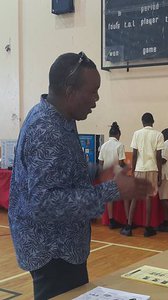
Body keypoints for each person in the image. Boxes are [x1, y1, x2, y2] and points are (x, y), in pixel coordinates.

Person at [8, 52, 152, 300]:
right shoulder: (46, 129)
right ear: (69, 91)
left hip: (63, 245)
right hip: (52, 251)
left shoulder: (61, 118)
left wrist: (98, 171)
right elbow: (44, 204)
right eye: (93, 91)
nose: (96, 99)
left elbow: (61, 171)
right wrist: (113, 190)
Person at [121, 112, 164, 237]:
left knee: (135, 197)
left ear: (142, 122)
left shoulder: (137, 134)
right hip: (152, 168)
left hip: (139, 168)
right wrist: (159, 174)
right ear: (153, 121)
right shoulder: (158, 135)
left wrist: (133, 170)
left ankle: (128, 227)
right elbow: (159, 156)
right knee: (149, 197)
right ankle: (147, 228)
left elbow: (134, 154)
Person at [98, 121, 126, 229]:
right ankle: (126, 220)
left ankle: (111, 220)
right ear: (118, 134)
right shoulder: (120, 145)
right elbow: (121, 163)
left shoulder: (103, 146)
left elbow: (100, 162)